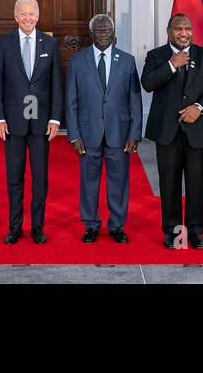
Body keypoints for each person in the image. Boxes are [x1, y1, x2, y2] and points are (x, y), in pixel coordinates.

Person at [142, 12, 203, 249]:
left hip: (198, 130)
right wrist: (171, 65)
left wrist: (199, 107)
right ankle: (172, 232)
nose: (184, 33)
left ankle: (196, 232)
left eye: (187, 28)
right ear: (169, 32)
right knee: (169, 184)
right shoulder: (156, 56)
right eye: (178, 29)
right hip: (167, 131)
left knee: (197, 184)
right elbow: (147, 84)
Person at [0, 0, 63, 245]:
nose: (28, 18)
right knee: (15, 177)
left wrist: (55, 118)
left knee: (40, 177)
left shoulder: (50, 44)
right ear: (15, 16)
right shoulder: (3, 44)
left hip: (42, 123)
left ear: (38, 16)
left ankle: (38, 227)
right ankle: (14, 227)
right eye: (23, 13)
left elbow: (56, 85)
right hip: (13, 122)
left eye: (32, 13)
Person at [64, 13, 142, 244]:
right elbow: (71, 101)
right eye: (99, 31)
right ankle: (91, 225)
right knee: (89, 181)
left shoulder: (127, 61)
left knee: (119, 181)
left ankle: (117, 225)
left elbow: (134, 101)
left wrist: (134, 133)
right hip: (88, 134)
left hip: (119, 133)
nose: (104, 34)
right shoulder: (78, 61)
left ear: (113, 32)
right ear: (91, 34)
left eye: (107, 30)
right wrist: (74, 135)